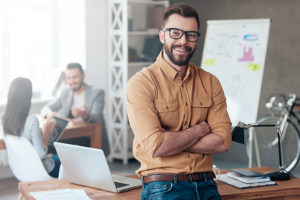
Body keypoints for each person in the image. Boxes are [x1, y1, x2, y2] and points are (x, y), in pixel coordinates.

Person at [126, 3, 231, 200]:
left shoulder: (210, 82)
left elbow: (223, 142)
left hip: (207, 183)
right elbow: (156, 147)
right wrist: (199, 130)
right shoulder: (141, 84)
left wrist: (171, 139)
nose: (183, 41)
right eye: (175, 33)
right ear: (162, 35)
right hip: (163, 186)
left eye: (191, 35)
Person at [41, 63, 110, 155]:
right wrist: (49, 114)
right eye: (68, 78)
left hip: (89, 138)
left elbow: (98, 117)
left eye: (75, 77)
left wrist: (84, 115)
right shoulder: (66, 91)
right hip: (69, 136)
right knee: (47, 144)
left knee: (55, 146)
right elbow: (46, 108)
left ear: (83, 76)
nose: (72, 81)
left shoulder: (96, 93)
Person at [1, 77, 60, 177]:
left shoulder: (4, 119)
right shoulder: (32, 120)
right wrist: (46, 133)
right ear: (27, 97)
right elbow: (41, 154)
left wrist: (39, 132)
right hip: (43, 171)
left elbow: (25, 138)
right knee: (69, 157)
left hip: (21, 171)